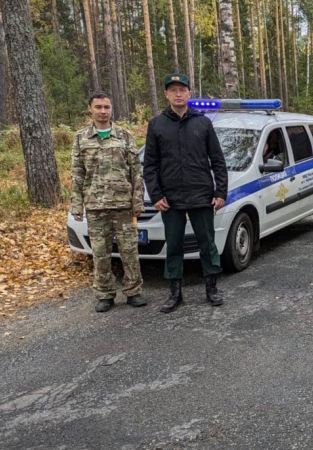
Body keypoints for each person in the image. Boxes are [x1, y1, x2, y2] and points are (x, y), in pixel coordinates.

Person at [143, 73, 228, 313]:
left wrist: (220, 191)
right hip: (170, 199)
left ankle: (211, 288)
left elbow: (218, 160)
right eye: (173, 90)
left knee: (207, 244)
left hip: (201, 195)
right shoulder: (157, 124)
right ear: (166, 94)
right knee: (174, 246)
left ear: (190, 93)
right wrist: (156, 194)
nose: (178, 94)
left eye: (182, 89)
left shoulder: (203, 123)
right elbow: (150, 165)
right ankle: (175, 293)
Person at [70, 92, 145, 313]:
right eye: (98, 107)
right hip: (95, 206)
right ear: (90, 109)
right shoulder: (81, 138)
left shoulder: (124, 135)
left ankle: (133, 291)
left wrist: (137, 202)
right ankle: (105, 294)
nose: (103, 111)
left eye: (106, 107)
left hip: (123, 205)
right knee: (100, 253)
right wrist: (77, 206)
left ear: (112, 109)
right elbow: (77, 174)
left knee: (129, 251)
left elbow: (136, 172)